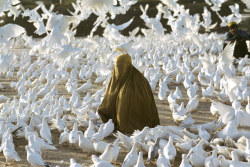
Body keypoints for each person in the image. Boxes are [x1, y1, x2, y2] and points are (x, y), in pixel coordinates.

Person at [98, 53, 160, 133]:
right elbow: (110, 98)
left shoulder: (139, 80)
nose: (119, 68)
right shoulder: (115, 79)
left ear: (129, 65)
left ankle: (127, 123)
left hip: (140, 117)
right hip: (133, 117)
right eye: (118, 65)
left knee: (124, 96)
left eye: (123, 65)